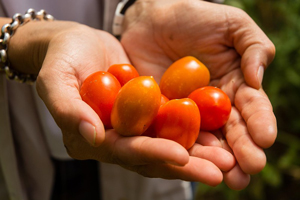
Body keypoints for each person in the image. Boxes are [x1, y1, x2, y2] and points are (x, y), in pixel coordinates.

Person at [0, 0, 277, 199]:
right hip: (20, 145)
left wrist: (146, 6)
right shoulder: (139, 93)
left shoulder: (158, 97)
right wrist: (27, 41)